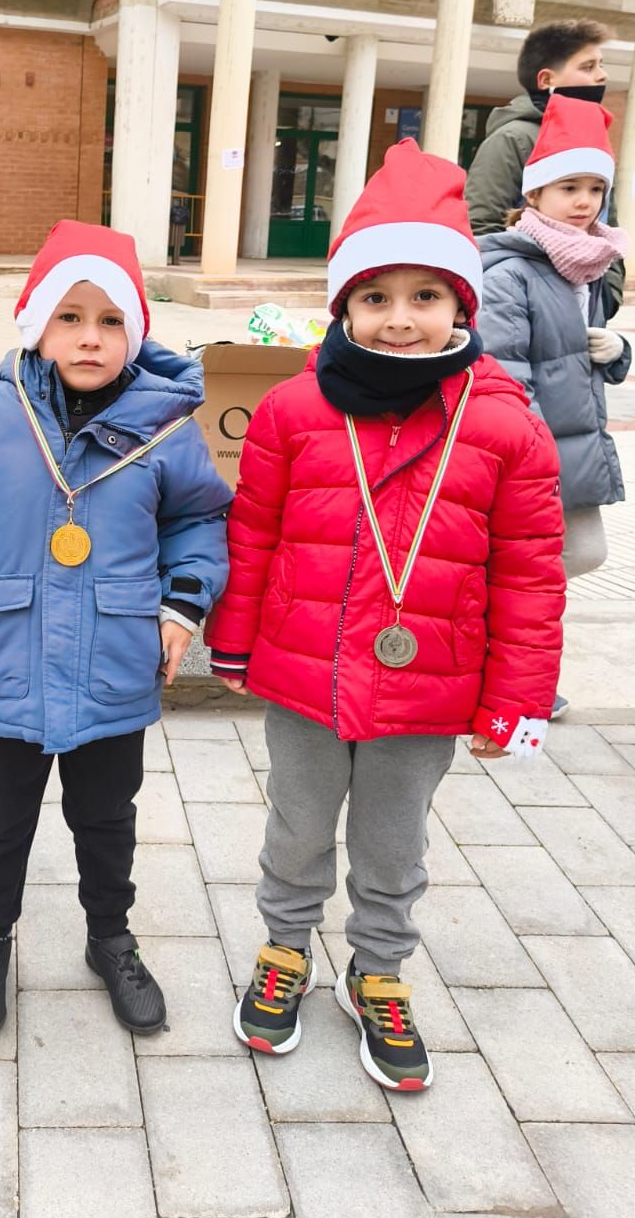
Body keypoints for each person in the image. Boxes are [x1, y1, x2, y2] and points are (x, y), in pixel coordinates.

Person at [205, 142, 565, 1093]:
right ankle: (285, 951)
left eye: (424, 297)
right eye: (377, 297)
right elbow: (257, 533)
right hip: (307, 668)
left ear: (460, 307)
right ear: (344, 307)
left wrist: (516, 698)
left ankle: (379, 969)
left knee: (394, 840)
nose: (400, 319)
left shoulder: (504, 422)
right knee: (298, 821)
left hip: (430, 682)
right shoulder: (292, 409)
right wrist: (234, 638)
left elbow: (532, 573)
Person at [0, 220, 230, 1040]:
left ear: (136, 331)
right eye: (70, 317)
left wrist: (181, 605)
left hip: (116, 660)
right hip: (5, 654)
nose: (90, 337)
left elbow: (197, 521)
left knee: (108, 817)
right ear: (37, 326)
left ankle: (109, 937)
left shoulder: (165, 427)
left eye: (111, 320)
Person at [478, 95, 631, 580]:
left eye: (594, 189)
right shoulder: (510, 275)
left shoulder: (590, 265)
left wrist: (618, 352)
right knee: (550, 559)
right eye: (569, 187)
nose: (584, 202)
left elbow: (578, 352)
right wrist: (533, 458)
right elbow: (506, 376)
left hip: (574, 445)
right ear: (534, 195)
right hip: (533, 455)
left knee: (579, 553)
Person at [464, 17, 624, 310]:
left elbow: (606, 223)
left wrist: (608, 296)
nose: (602, 75)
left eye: (601, 64)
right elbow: (480, 226)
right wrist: (519, 291)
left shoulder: (594, 134)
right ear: (546, 80)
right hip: (526, 306)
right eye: (588, 67)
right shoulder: (513, 138)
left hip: (587, 306)